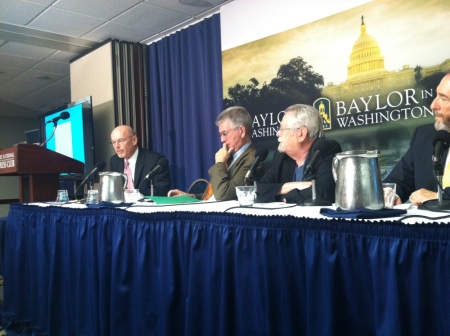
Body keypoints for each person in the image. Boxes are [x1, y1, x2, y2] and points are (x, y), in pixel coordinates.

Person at [168, 106, 265, 201]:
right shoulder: (230, 157)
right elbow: (215, 194)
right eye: (221, 135)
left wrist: (219, 163)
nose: (222, 139)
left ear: (241, 131)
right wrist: (191, 196)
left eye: (225, 133)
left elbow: (223, 194)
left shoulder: (254, 161)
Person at [384, 72, 450, 206]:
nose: (433, 105)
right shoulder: (424, 136)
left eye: (443, 98)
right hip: (426, 226)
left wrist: (440, 196)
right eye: (436, 95)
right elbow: (400, 179)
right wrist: (391, 194)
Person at [256, 104, 341, 204]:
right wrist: (291, 185)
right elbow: (258, 189)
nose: (277, 133)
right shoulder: (282, 157)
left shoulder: (325, 150)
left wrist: (283, 197)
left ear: (301, 134)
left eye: (282, 129)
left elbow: (322, 194)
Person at [110, 125, 171, 196]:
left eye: (121, 140)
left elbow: (162, 190)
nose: (117, 146)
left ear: (134, 140)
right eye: (114, 142)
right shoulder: (114, 161)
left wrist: (134, 194)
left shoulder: (156, 160)